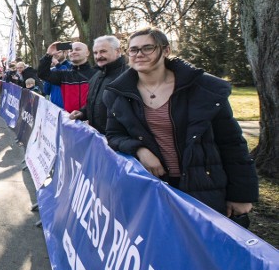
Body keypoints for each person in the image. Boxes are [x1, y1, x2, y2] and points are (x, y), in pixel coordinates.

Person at [104, 27, 258, 218]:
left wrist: (242, 195)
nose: (139, 54)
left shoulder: (203, 89)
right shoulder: (117, 93)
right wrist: (139, 150)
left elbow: (232, 143)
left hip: (204, 186)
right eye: (133, 50)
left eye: (147, 48)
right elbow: (113, 135)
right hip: (155, 186)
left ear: (166, 50)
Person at [69, 35, 128, 133]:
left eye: (103, 51)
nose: (98, 56)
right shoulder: (96, 76)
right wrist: (82, 113)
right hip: (99, 141)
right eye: (96, 53)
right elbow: (93, 103)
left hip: (119, 143)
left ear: (117, 51)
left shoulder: (128, 75)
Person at [37, 42, 93, 113]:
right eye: (71, 50)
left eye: (78, 49)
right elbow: (42, 74)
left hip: (89, 121)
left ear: (87, 53)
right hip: (67, 117)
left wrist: (85, 115)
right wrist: (48, 54)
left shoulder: (96, 74)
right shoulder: (65, 75)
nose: (74, 52)